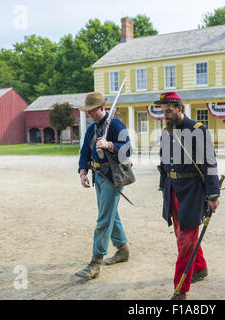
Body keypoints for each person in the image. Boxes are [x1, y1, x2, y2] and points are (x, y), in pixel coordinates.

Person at [156, 92, 220, 300]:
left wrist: (212, 194)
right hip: (173, 189)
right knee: (183, 235)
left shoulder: (198, 130)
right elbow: (164, 164)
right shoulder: (166, 132)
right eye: (163, 111)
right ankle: (199, 268)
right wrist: (163, 187)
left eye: (168, 110)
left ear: (179, 108)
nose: (165, 115)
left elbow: (210, 163)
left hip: (192, 191)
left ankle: (180, 289)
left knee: (185, 241)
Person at [75, 92, 132, 280]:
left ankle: (95, 263)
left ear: (102, 108)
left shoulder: (115, 125)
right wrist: (83, 172)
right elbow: (84, 152)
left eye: (92, 111)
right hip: (97, 176)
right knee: (110, 214)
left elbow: (127, 149)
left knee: (103, 219)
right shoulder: (92, 129)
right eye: (88, 112)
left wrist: (109, 145)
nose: (89, 114)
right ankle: (123, 249)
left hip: (112, 177)